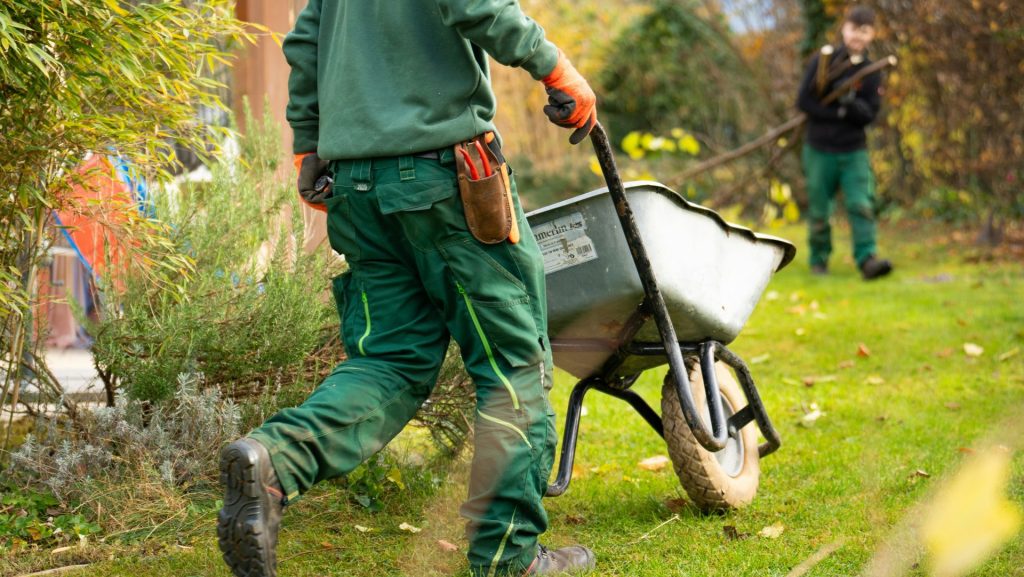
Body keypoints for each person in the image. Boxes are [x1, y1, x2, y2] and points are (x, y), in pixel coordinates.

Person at [216, 1, 599, 576]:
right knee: (513, 366)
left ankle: (275, 461)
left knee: (389, 362)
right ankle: (507, 559)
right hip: (445, 179)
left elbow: (305, 43)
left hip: (355, 186)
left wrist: (308, 142)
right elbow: (478, 5)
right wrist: (555, 67)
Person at [797, 5, 892, 280]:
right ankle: (819, 260)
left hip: (853, 151)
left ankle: (867, 260)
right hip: (819, 148)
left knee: (861, 203)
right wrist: (838, 112)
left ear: (872, 34)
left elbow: (869, 114)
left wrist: (851, 108)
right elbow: (804, 102)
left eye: (864, 32)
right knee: (819, 209)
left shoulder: (872, 71)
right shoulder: (824, 61)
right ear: (844, 28)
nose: (857, 37)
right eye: (853, 29)